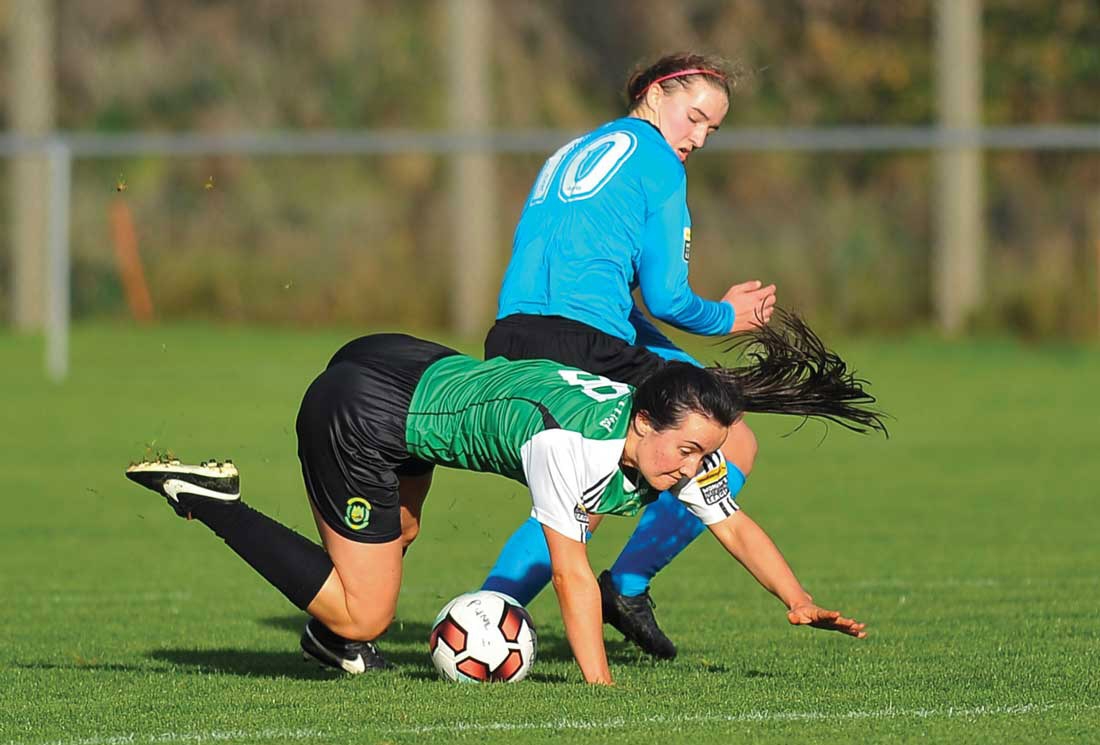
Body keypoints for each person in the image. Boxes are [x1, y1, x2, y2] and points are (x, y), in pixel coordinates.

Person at [125, 313, 883, 684]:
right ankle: (210, 498)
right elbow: (573, 576)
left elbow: (733, 522)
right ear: (644, 421)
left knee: (396, 538)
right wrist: (601, 694)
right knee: (370, 609)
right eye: (688, 451)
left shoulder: (661, 441)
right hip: (371, 412)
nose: (695, 469)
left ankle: (329, 643)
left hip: (410, 364)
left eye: (704, 455)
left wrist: (797, 596)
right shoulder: (574, 447)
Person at [478, 51, 776, 659]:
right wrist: (728, 317)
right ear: (658, 93)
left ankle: (485, 616)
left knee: (581, 484)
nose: (697, 138)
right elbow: (668, 295)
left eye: (711, 130)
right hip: (581, 337)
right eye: (694, 117)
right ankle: (628, 586)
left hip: (512, 332)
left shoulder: (576, 150)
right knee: (731, 439)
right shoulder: (660, 164)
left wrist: (677, 361)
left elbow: (591, 283)